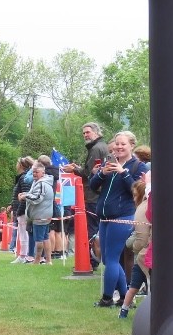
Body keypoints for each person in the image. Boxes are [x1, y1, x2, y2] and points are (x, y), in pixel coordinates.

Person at [89, 130, 148, 308]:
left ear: (132, 145)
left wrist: (123, 172)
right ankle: (123, 297)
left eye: (123, 144)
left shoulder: (138, 167)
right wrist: (101, 173)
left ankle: (107, 298)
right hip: (105, 218)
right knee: (107, 260)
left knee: (113, 259)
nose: (119, 147)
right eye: (117, 143)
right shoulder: (109, 163)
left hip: (122, 217)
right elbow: (93, 186)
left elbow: (137, 191)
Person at [63, 123, 109, 270]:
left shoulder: (96, 148)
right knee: (97, 229)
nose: (85, 135)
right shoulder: (103, 146)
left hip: (93, 195)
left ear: (96, 132)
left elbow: (89, 173)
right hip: (99, 194)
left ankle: (90, 262)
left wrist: (74, 169)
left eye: (87, 132)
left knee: (91, 230)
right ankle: (93, 261)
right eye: (83, 133)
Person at [118, 179, 150, 319]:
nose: (133, 198)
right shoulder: (145, 209)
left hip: (143, 258)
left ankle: (124, 310)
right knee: (134, 288)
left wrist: (133, 245)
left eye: (135, 195)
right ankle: (124, 309)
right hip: (142, 259)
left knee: (134, 288)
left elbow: (140, 239)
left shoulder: (142, 210)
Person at [18, 161, 54, 265]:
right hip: (44, 215)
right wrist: (25, 194)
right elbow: (34, 194)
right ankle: (48, 261)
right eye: (33, 172)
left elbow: (37, 198)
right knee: (45, 238)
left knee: (39, 240)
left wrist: (25, 197)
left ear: (43, 173)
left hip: (40, 216)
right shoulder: (41, 182)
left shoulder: (42, 183)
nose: (34, 174)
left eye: (36, 172)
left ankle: (37, 260)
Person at [10, 156, 34, 263]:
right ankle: (24, 255)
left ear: (21, 165)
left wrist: (19, 210)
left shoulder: (24, 178)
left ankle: (24, 255)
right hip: (20, 208)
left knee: (24, 234)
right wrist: (12, 205)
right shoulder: (23, 177)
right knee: (23, 233)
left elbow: (24, 196)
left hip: (22, 210)